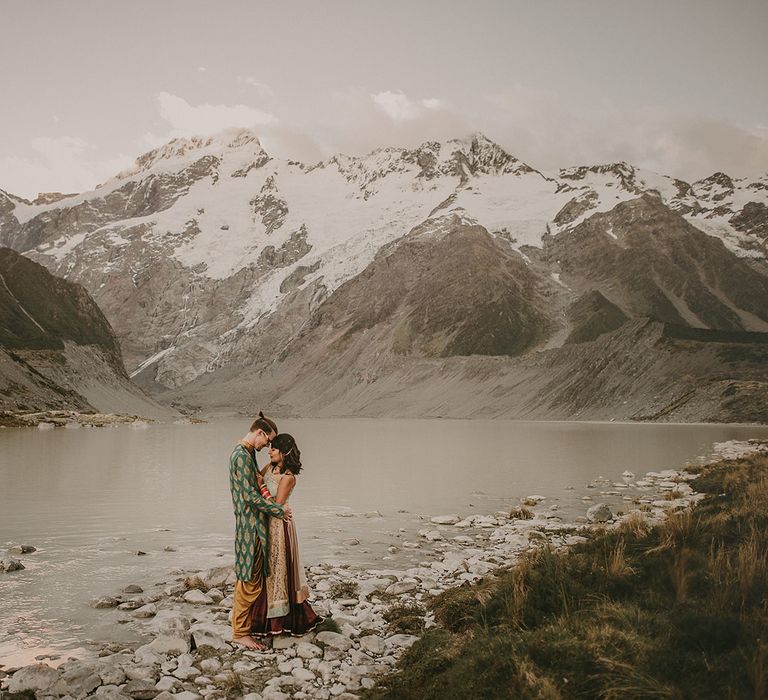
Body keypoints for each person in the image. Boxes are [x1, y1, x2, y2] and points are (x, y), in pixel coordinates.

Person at [229, 412, 292, 650]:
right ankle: (240, 633)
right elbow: (251, 497)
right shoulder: (241, 457)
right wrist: (279, 511)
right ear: (260, 433)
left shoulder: (245, 454)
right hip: (250, 527)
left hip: (251, 525)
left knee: (249, 578)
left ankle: (241, 628)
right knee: (250, 580)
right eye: (267, 440)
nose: (267, 445)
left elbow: (257, 484)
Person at [250, 432, 323, 636]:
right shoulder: (271, 468)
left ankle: (279, 619)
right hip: (265, 523)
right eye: (270, 447)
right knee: (267, 567)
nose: (270, 451)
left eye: (274, 448)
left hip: (279, 526)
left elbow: (277, 505)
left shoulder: (288, 477)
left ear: (285, 452)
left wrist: (260, 484)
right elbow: (257, 478)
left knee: (277, 568)